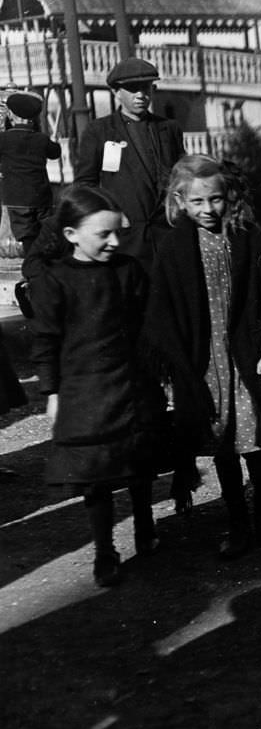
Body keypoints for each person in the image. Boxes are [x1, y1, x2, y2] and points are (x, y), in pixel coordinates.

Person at [142, 155, 261, 558]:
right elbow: (162, 310)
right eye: (197, 202)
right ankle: (237, 520)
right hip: (204, 361)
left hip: (243, 353)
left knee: (254, 439)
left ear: (227, 195)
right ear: (180, 200)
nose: (208, 210)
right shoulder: (173, 242)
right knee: (223, 444)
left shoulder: (244, 234)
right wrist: (172, 369)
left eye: (215, 199)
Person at [26, 184, 159, 586]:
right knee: (96, 474)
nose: (114, 241)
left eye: (117, 232)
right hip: (84, 390)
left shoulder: (128, 271)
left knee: (138, 463)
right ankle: (105, 549)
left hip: (131, 382)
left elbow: (148, 328)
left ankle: (145, 524)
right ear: (71, 235)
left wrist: (158, 374)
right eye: (103, 234)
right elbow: (45, 340)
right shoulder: (55, 280)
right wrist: (52, 393)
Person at [75, 58, 184, 269]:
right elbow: (85, 184)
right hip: (125, 235)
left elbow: (182, 176)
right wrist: (110, 215)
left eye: (146, 89)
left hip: (166, 232)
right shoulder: (99, 131)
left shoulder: (169, 128)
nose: (141, 95)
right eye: (133, 90)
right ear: (116, 92)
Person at [0, 91, 61, 255]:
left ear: (12, 116)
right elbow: (55, 152)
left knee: (27, 238)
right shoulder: (41, 139)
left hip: (16, 198)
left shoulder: (3, 139)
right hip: (40, 196)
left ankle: (32, 268)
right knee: (44, 234)